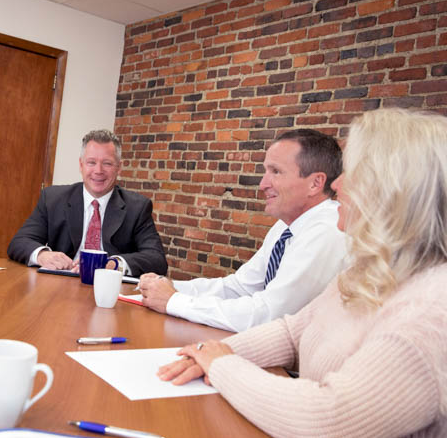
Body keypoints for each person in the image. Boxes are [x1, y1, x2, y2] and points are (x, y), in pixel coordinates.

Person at [160, 108, 447, 438]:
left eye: (353, 173)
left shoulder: (430, 313)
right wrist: (207, 352)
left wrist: (222, 366)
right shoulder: (371, 271)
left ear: (396, 191)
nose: (338, 185)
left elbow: (332, 421)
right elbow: (293, 331)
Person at [139, 129, 346, 332]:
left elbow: (268, 315)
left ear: (315, 183)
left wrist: (174, 301)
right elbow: (239, 288)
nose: (263, 184)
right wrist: (169, 286)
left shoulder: (327, 231)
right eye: (265, 171)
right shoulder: (285, 226)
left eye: (276, 172)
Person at [8, 129, 167, 277]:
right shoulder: (52, 199)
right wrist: (43, 255)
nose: (98, 171)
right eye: (91, 162)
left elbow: (156, 259)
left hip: (109, 289)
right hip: (60, 285)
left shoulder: (137, 207)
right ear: (81, 165)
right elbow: (19, 242)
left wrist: (115, 264)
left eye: (107, 163)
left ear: (119, 168)